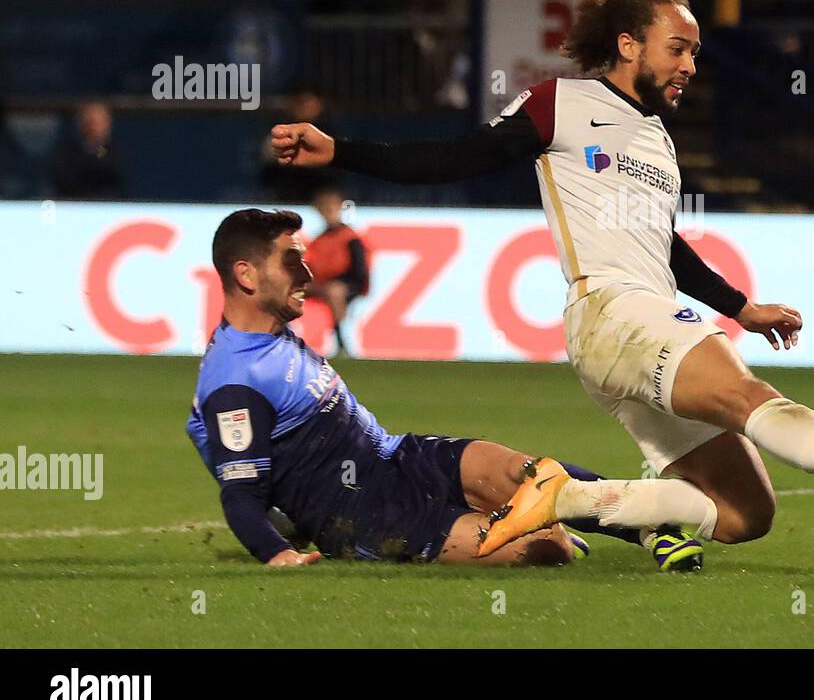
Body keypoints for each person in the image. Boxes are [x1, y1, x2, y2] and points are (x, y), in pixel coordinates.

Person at [270, 0, 814, 552]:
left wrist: (740, 307)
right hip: (614, 311)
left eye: (696, 53)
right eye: (678, 48)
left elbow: (667, 246)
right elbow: (454, 157)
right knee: (746, 395)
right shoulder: (563, 104)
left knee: (743, 513)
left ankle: (568, 497)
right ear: (627, 43)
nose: (690, 65)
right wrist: (345, 151)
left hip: (635, 324)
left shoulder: (658, 140)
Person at [187, 208, 723, 570]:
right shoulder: (235, 381)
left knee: (527, 470)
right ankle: (553, 528)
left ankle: (654, 528)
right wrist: (278, 554)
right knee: (542, 549)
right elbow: (239, 494)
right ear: (246, 276)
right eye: (291, 259)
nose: (308, 270)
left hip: (397, 456)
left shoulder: (269, 338)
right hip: (365, 514)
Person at [303, 186, 368, 355]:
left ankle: (342, 343)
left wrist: (345, 284)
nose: (328, 212)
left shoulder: (350, 238)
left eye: (331, 207)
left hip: (346, 284)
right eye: (324, 208)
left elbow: (359, 270)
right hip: (322, 284)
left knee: (334, 292)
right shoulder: (319, 239)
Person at [50, 101, 125, 199]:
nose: (92, 126)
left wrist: (96, 151)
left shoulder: (112, 150)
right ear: (80, 123)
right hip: (73, 204)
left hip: (107, 204)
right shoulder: (68, 150)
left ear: (107, 124)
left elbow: (111, 172)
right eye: (89, 121)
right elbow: (64, 177)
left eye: (97, 122)